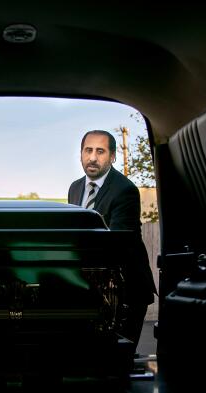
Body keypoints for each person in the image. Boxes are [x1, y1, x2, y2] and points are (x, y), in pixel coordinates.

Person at [68, 130, 156, 353]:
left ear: (113, 156)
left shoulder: (125, 190)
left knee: (118, 364)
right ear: (80, 154)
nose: (93, 158)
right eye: (88, 151)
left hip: (126, 291)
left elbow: (114, 245)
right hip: (95, 291)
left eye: (100, 151)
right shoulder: (75, 187)